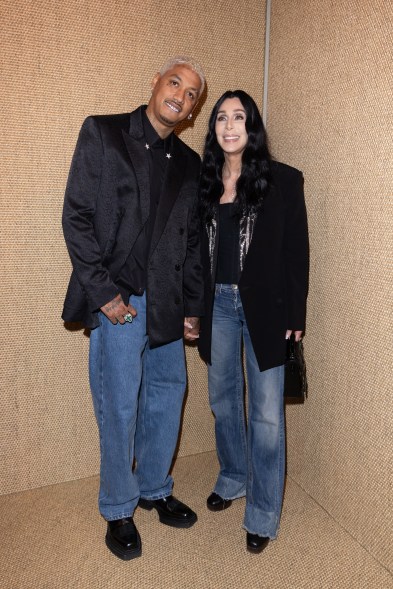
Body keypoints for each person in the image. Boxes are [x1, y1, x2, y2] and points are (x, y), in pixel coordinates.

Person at [62, 56, 205, 560]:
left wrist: (192, 306)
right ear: (155, 83)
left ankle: (154, 489)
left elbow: (190, 245)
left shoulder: (190, 165)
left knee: (168, 392)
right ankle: (119, 507)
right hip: (118, 300)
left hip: (167, 303)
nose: (180, 97)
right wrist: (104, 295)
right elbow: (76, 217)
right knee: (120, 406)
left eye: (191, 95)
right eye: (175, 84)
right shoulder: (102, 133)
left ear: (192, 111)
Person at [198, 90, 309, 553]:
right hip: (218, 306)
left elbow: (297, 250)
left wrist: (295, 314)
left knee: (265, 415)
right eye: (221, 118)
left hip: (264, 309)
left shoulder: (282, 180)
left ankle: (262, 512)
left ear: (252, 126)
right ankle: (233, 475)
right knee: (224, 400)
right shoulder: (202, 184)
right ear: (214, 129)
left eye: (238, 117)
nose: (229, 125)